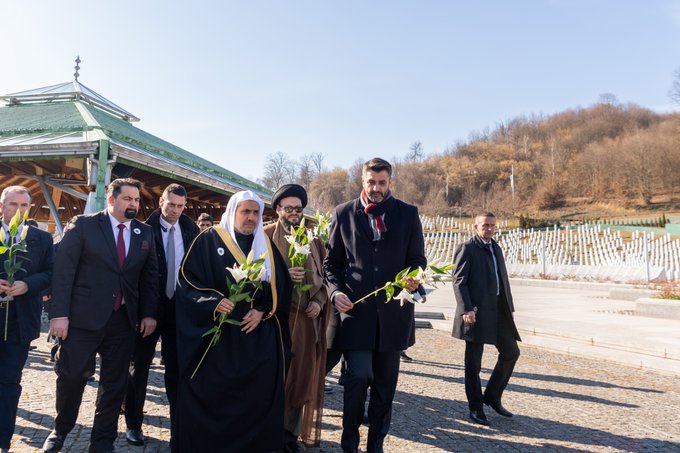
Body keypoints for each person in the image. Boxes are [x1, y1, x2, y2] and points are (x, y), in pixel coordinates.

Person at [44, 178, 159, 453]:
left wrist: (148, 314)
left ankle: (102, 441)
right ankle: (61, 429)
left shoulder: (145, 234)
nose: (133, 204)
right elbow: (64, 271)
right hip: (82, 319)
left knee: (115, 384)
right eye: (127, 199)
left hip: (123, 321)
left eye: (137, 200)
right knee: (72, 377)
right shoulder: (84, 225)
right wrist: (59, 314)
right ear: (112, 200)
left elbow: (150, 276)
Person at [173, 190, 292, 452]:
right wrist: (212, 302)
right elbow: (187, 283)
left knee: (258, 396)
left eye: (255, 213)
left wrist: (262, 311)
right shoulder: (208, 239)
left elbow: (281, 288)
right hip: (218, 338)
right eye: (245, 211)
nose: (250, 218)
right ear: (233, 211)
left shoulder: (266, 246)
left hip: (256, 336)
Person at [324, 157, 426, 453]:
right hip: (355, 314)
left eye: (382, 183)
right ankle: (349, 443)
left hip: (394, 317)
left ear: (390, 182)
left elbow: (417, 261)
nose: (377, 188)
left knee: (384, 386)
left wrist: (413, 279)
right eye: (372, 182)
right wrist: (334, 293)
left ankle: (375, 446)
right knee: (358, 376)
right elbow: (332, 263)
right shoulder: (343, 213)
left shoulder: (408, 214)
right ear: (362, 182)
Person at [124, 184, 199, 446]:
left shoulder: (192, 230)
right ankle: (133, 424)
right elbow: (134, 275)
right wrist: (145, 312)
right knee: (138, 368)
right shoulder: (143, 230)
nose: (175, 210)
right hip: (149, 311)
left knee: (177, 368)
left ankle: (179, 422)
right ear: (160, 202)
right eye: (171, 205)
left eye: (180, 206)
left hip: (180, 311)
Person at [264, 184, 329, 452]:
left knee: (300, 378)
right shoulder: (265, 236)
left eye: (298, 209)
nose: (293, 213)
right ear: (278, 209)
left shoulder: (314, 240)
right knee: (276, 377)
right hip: (276, 320)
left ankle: (289, 433)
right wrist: (283, 279)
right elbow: (255, 278)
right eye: (288, 208)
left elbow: (325, 281)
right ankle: (268, 431)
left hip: (305, 322)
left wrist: (317, 301)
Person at [451, 212, 521, 426]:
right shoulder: (467, 248)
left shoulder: (496, 248)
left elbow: (502, 280)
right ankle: (475, 407)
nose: (489, 229)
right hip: (475, 312)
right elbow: (459, 281)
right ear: (476, 227)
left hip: (499, 311)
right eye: (485, 225)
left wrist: (509, 306)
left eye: (492, 225)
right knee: (474, 364)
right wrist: (467, 309)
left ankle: (492, 395)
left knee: (511, 352)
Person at [0, 186, 54, 453]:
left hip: (19, 323)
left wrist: (28, 284)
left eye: (24, 206)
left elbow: (51, 272)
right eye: (13, 204)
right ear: (2, 206)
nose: (19, 210)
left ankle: (2, 440)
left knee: (9, 382)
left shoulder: (42, 239)